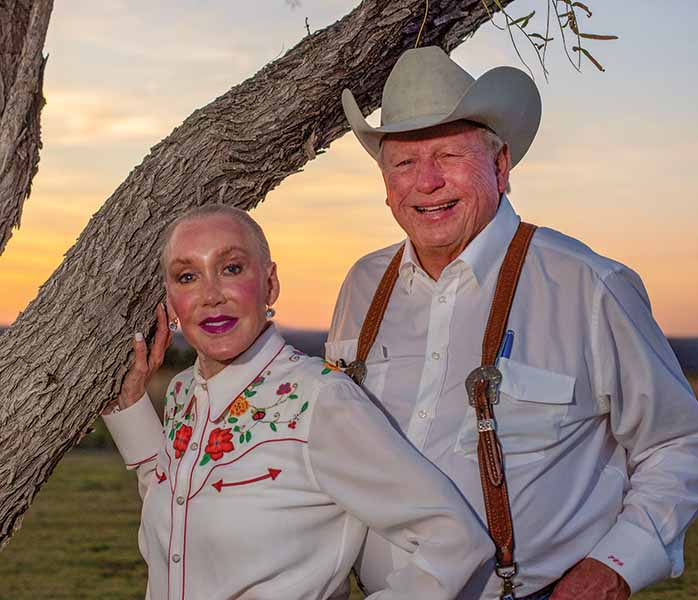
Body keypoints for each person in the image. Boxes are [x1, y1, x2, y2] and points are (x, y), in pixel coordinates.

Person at [326, 46, 698, 600]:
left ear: (500, 167)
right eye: (404, 162)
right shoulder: (364, 284)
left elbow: (680, 442)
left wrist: (615, 567)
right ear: (386, 185)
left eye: (449, 155)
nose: (426, 182)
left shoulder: (588, 286)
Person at [101, 204, 494, 600]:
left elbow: (455, 540)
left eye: (232, 268)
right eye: (187, 277)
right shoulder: (183, 392)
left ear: (269, 284)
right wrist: (133, 408)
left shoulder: (321, 399)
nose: (210, 295)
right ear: (171, 303)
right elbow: (176, 510)